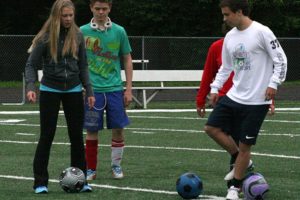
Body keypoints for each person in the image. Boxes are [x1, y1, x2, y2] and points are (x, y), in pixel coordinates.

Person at [204, 0, 287, 199]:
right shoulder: (230, 37)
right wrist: (215, 88)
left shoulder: (262, 32)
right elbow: (226, 67)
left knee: (245, 146)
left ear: (239, 12)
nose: (224, 19)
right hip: (234, 95)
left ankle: (235, 187)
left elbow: (281, 60)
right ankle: (242, 160)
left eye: (226, 14)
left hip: (258, 100)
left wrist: (274, 83)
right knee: (211, 128)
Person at [25, 0, 95, 194]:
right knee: (47, 136)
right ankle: (40, 182)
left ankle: (81, 181)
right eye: (64, 16)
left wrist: (89, 90)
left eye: (71, 15)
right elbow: (31, 64)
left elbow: (83, 66)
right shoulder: (45, 37)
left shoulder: (78, 35)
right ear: (57, 16)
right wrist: (31, 86)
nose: (68, 19)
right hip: (50, 90)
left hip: (73, 90)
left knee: (76, 137)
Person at [80, 0, 133, 180]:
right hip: (92, 91)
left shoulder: (119, 31)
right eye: (97, 9)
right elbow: (77, 60)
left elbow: (127, 59)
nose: (101, 12)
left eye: (104, 9)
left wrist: (128, 88)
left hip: (115, 89)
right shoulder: (82, 32)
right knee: (92, 129)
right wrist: (81, 85)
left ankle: (116, 166)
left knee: (118, 128)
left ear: (110, 8)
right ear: (91, 8)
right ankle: (91, 169)